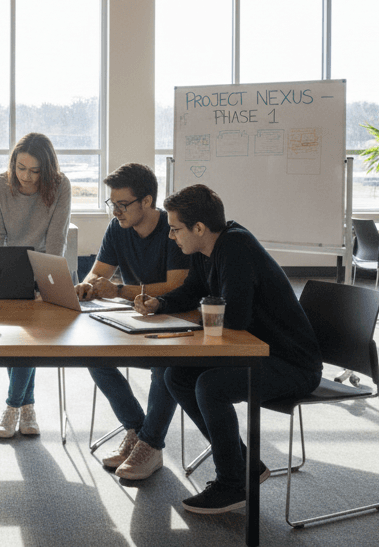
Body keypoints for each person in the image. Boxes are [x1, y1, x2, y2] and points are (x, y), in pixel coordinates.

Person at [146, 184, 322, 515]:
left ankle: (232, 483)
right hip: (255, 353)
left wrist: (200, 317)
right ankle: (246, 466)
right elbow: (192, 291)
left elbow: (235, 319)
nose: (171, 236)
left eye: (175, 229)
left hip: (292, 365)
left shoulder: (236, 247)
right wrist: (160, 303)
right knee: (177, 376)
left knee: (211, 385)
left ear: (199, 228)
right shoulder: (204, 250)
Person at [73, 162, 187, 480]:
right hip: (141, 319)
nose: (116, 212)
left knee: (164, 367)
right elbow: (99, 272)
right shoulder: (118, 229)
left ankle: (150, 445)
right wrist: (89, 284)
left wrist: (119, 290)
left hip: (176, 319)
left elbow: (175, 285)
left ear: (147, 201)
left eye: (122, 205)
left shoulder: (172, 229)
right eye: (113, 204)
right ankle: (137, 430)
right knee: (94, 356)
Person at [0, 132, 72, 439]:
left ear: (46, 170)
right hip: (6, 269)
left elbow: (56, 239)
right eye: (21, 168)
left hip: (43, 268)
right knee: (15, 340)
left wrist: (44, 282)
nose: (26, 176)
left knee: (31, 336)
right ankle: (28, 405)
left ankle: (12, 407)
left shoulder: (60, 186)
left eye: (35, 171)